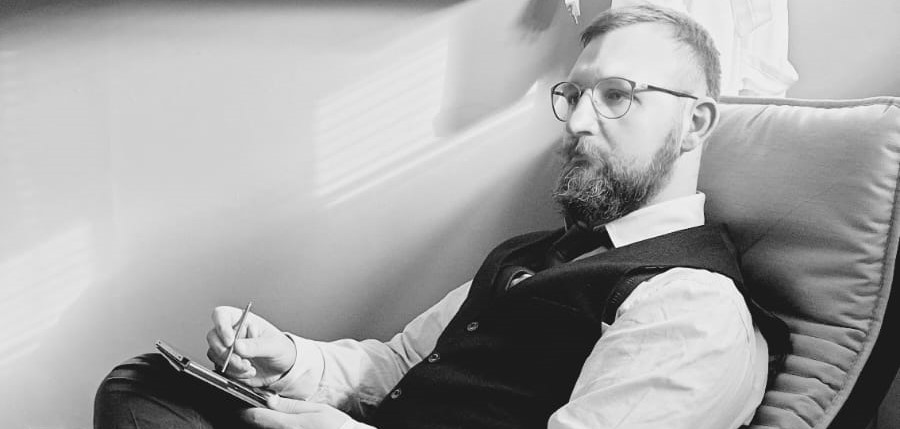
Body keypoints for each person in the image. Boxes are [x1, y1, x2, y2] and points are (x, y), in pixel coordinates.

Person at [95, 5, 788, 429]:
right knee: (146, 383)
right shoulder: (535, 253)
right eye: (573, 95)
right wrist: (289, 357)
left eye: (615, 95)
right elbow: (400, 362)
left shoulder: (691, 305)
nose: (577, 121)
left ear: (696, 123)